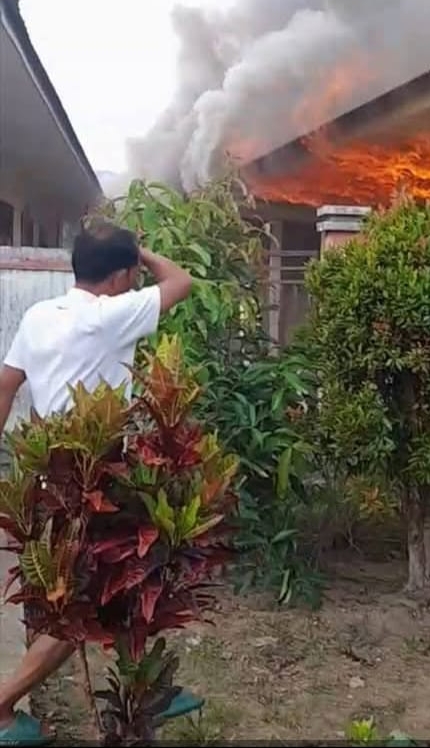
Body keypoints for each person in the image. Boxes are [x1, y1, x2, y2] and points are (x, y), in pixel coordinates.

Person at [0, 220, 201, 745]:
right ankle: (0, 706)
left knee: (135, 572)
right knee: (82, 607)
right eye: (131, 274)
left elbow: (5, 386)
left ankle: (148, 682)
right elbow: (183, 282)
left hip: (52, 472)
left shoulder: (41, 315)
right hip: (97, 472)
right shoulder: (113, 313)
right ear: (118, 277)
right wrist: (145, 251)